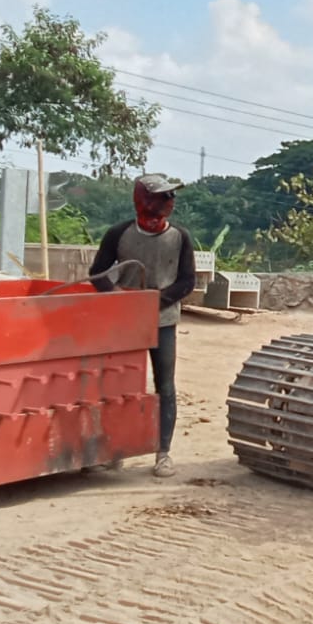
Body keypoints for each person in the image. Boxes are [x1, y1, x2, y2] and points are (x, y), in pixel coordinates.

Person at [90, 173, 196, 477]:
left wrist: (156, 301)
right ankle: (115, 451)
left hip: (163, 321)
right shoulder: (119, 234)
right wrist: (120, 300)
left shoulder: (180, 237)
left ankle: (163, 453)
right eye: (163, 196)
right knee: (120, 386)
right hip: (124, 322)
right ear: (143, 199)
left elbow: (188, 280)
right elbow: (98, 273)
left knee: (165, 385)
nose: (169, 202)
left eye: (171, 196)